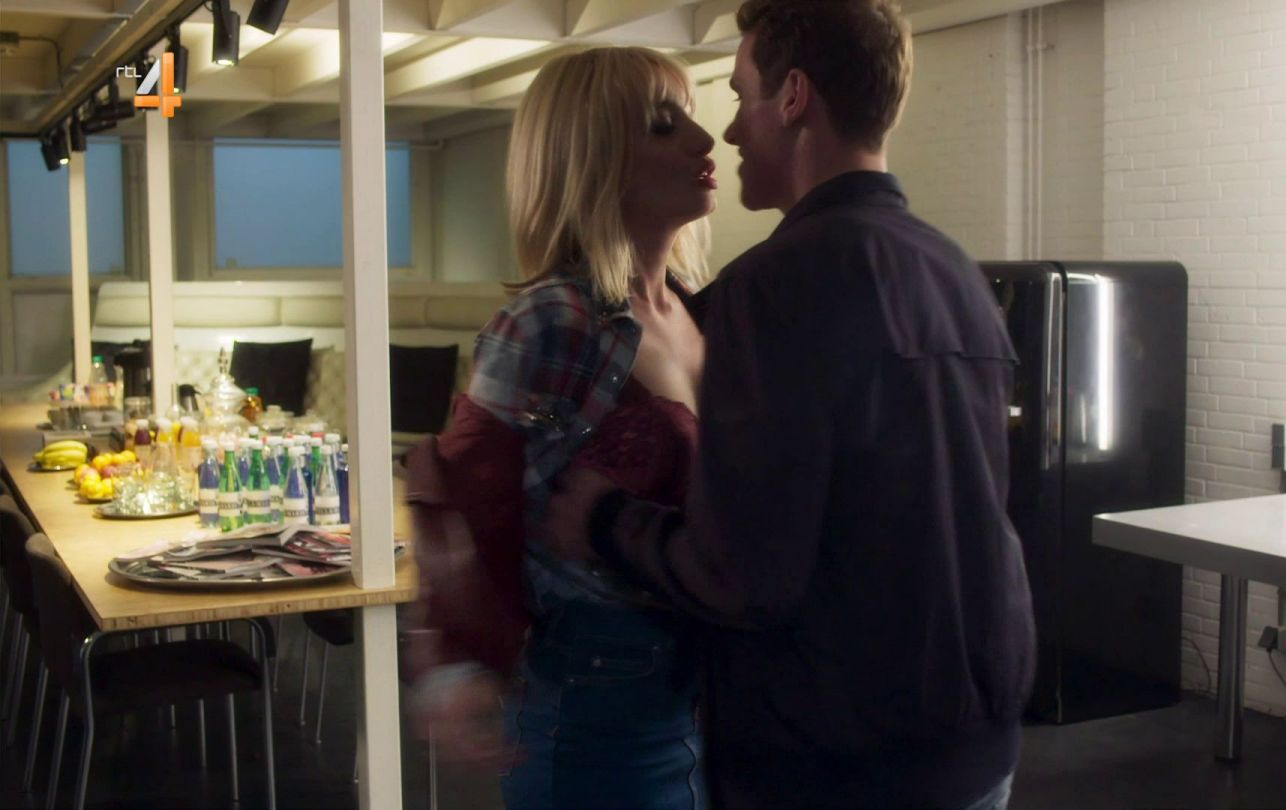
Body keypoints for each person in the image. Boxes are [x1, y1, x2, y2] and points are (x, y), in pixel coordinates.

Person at [543, 1, 1037, 808]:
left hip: (838, 760)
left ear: (795, 97)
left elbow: (742, 575)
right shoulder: (955, 272)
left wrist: (604, 521)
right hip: (977, 742)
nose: (728, 132)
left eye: (741, 98)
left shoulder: (772, 290)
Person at [405, 46, 717, 809]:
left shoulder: (699, 307)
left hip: (707, 683)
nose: (705, 141)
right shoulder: (551, 320)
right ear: (597, 159)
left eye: (691, 118)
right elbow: (468, 494)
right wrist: (457, 662)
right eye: (663, 125)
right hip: (601, 693)